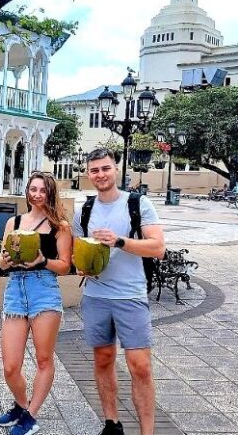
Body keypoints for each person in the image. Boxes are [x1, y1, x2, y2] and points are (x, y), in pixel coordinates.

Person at [72, 148, 165, 435]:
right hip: (96, 296)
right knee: (102, 359)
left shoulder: (138, 203)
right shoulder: (84, 211)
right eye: (95, 170)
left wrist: (120, 241)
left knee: (140, 367)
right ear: (89, 174)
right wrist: (82, 267)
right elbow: (79, 253)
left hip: (130, 296)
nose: (100, 174)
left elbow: (158, 248)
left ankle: (147, 432)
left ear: (116, 170)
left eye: (105, 168)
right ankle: (112, 423)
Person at [0, 172, 72, 435]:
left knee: (43, 358)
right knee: (10, 365)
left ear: (50, 193)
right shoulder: (13, 223)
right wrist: (6, 261)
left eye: (42, 190)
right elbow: (1, 262)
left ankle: (30, 415)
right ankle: (21, 404)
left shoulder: (59, 226)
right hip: (16, 289)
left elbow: (64, 266)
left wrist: (42, 261)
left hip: (44, 290)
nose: (37, 194)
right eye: (33, 189)